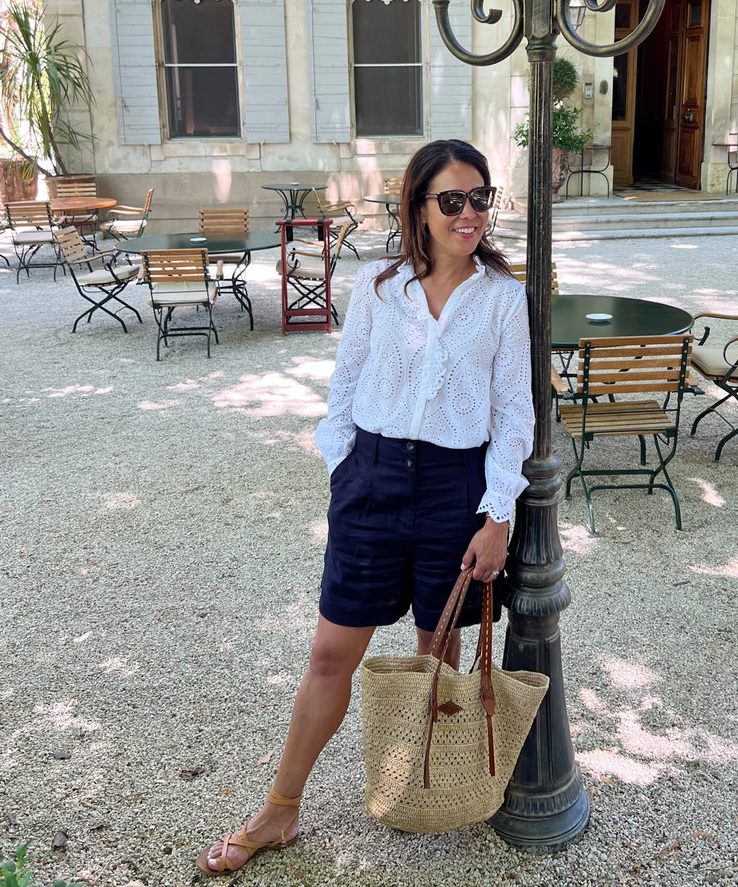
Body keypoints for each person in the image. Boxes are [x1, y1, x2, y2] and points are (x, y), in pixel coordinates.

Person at [196, 139, 534, 876]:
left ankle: (417, 786)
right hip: (372, 479)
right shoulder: (382, 290)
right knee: (328, 656)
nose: (470, 212)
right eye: (452, 200)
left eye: (481, 198)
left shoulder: (505, 299)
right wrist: (344, 465)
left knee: (434, 654)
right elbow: (343, 389)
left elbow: (514, 414)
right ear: (418, 206)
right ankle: (281, 809)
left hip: (456, 489)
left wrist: (498, 515)